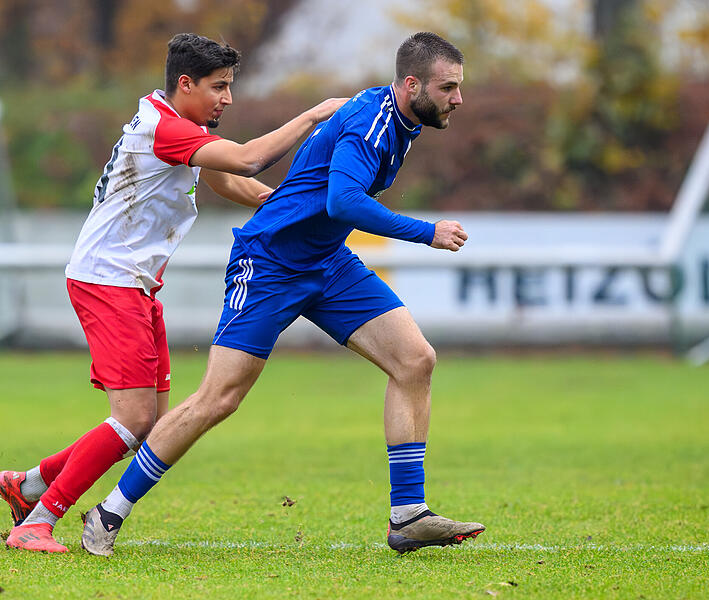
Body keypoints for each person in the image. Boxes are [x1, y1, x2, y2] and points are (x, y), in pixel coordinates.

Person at [80, 31, 484, 557]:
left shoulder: (401, 117)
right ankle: (107, 513)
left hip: (327, 261)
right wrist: (426, 231)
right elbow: (343, 203)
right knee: (218, 399)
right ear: (412, 85)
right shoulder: (373, 123)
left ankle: (408, 515)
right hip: (269, 263)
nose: (459, 99)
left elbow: (329, 202)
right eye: (449, 87)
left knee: (415, 360)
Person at [0, 33, 346, 553]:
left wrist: (285, 207)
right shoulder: (166, 128)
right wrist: (314, 115)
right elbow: (249, 160)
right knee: (133, 419)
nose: (227, 98)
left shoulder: (175, 124)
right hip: (108, 280)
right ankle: (39, 521)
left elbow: (231, 181)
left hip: (129, 283)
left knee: (147, 425)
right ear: (185, 84)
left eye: (230, 86)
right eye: (218, 87)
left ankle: (27, 486)